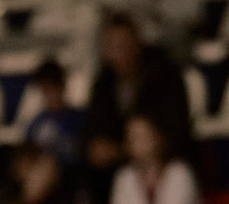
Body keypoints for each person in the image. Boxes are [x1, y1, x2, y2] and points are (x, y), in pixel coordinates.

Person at [82, 14, 192, 180]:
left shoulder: (165, 76)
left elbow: (175, 130)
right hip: (114, 174)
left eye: (123, 44)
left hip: (165, 166)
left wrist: (132, 147)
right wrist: (95, 148)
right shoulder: (103, 85)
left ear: (137, 44)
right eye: (112, 46)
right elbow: (92, 129)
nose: (119, 52)